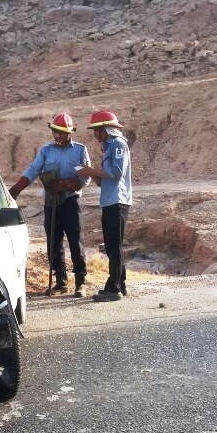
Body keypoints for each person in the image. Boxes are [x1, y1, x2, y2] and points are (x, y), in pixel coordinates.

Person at [9, 112, 91, 297]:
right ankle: (60, 283)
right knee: (54, 243)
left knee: (75, 242)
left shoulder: (79, 151)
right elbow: (33, 171)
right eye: (55, 131)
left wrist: (64, 184)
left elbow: (84, 177)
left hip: (70, 202)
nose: (58, 135)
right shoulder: (46, 151)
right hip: (51, 203)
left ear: (70, 132)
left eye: (61, 132)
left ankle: (81, 282)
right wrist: (16, 189)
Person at [77, 110, 132, 302]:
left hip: (117, 201)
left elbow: (116, 172)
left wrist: (92, 170)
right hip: (110, 200)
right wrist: (93, 173)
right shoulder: (109, 148)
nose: (95, 135)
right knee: (111, 245)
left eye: (97, 130)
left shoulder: (118, 144)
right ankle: (120, 283)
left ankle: (114, 287)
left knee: (114, 246)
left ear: (105, 130)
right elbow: (105, 179)